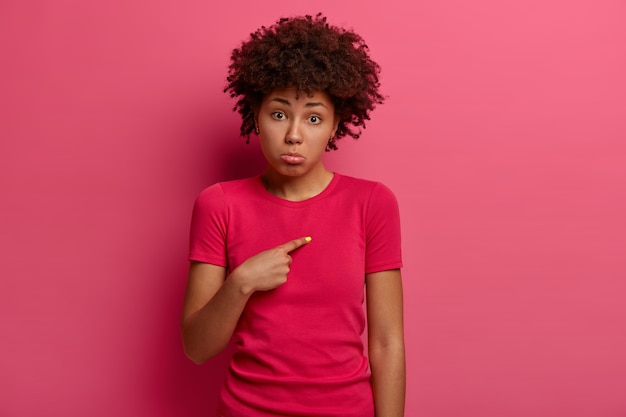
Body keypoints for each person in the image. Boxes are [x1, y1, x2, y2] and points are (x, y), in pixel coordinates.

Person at [181, 14, 405, 417]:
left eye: (314, 118)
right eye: (280, 114)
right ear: (256, 113)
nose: (294, 135)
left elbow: (387, 342)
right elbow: (197, 349)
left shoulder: (372, 203)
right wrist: (241, 283)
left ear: (337, 123)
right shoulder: (219, 204)